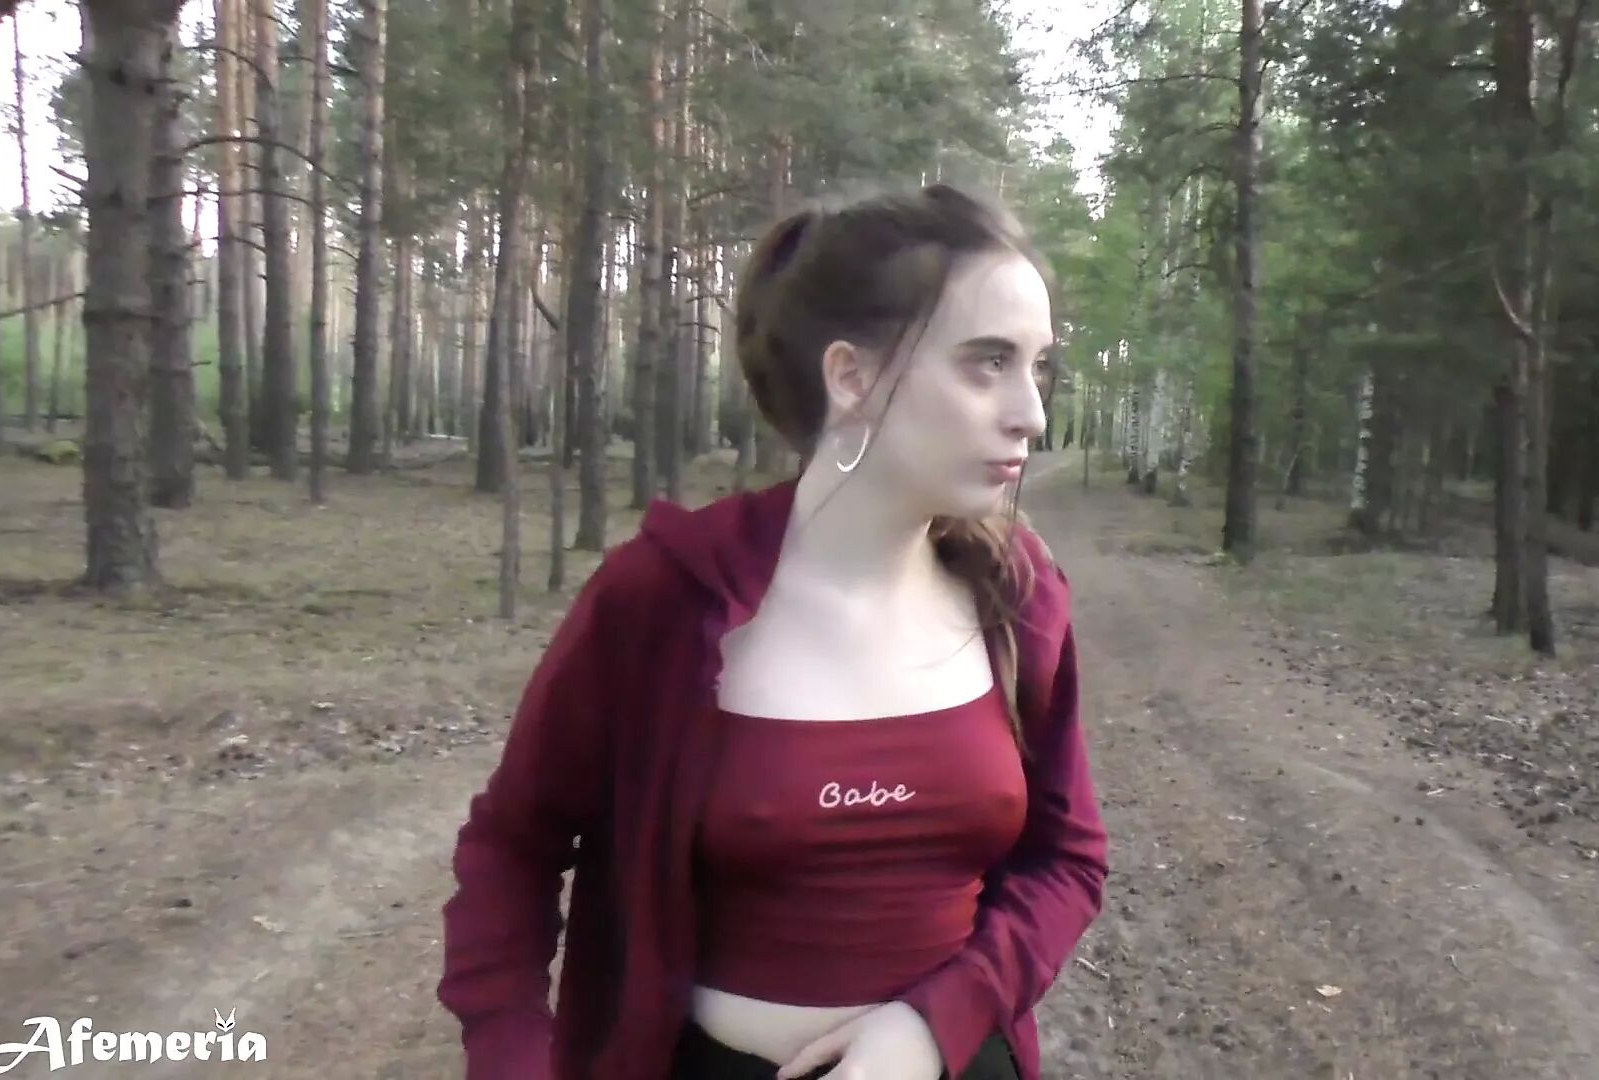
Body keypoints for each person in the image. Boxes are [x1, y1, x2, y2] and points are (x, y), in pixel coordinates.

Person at [437, 182, 1108, 1080]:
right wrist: (512, 1054)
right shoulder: (668, 598)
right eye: (988, 362)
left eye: (1039, 367)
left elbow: (1067, 857)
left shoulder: (1017, 596)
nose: (1031, 412)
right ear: (851, 377)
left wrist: (934, 1023)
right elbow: (513, 846)